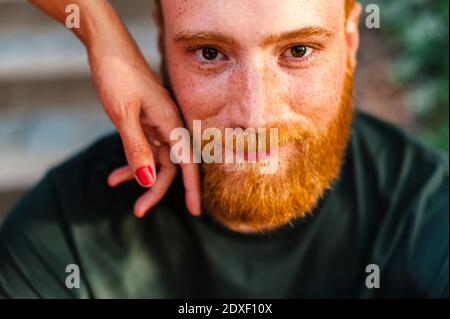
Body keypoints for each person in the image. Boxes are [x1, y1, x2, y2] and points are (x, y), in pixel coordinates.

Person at [0, 0, 448, 298]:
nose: (254, 118)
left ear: (350, 39)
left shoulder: (428, 214)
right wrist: (99, 30)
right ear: (160, 42)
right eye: (209, 53)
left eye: (298, 50)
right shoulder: (61, 235)